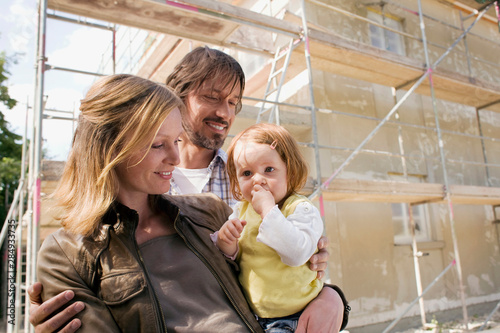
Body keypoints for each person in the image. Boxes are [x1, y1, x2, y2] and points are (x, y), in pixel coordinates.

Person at [29, 47, 349, 332]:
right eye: (212, 97)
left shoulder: (217, 203)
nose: (225, 112)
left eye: (234, 102)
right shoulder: (69, 253)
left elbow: (280, 270)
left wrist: (332, 296)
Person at [215, 123, 325, 332]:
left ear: (289, 172)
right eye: (247, 173)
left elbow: (296, 254)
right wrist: (226, 242)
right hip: (253, 315)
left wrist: (268, 211)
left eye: (269, 170)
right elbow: (235, 257)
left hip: (295, 315)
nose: (258, 180)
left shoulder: (301, 209)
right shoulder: (241, 210)